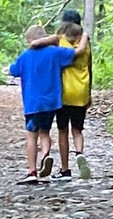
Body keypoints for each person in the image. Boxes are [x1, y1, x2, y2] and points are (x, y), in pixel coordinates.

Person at [8, 25, 88, 184]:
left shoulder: (25, 56)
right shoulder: (55, 53)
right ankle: (45, 154)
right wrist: (84, 36)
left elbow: (13, 71)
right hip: (52, 103)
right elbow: (77, 52)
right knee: (45, 131)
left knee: (32, 134)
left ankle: (32, 171)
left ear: (30, 40)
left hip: (32, 103)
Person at [30, 10, 93, 180]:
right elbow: (90, 67)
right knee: (77, 129)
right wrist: (89, 93)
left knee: (62, 130)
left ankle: (65, 170)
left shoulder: (59, 40)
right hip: (81, 91)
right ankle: (79, 153)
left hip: (63, 92)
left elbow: (35, 43)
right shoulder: (85, 42)